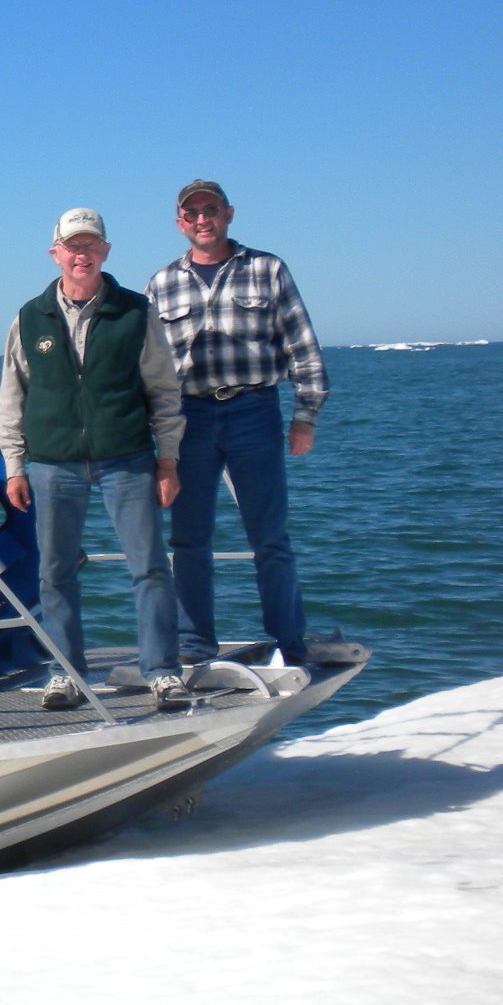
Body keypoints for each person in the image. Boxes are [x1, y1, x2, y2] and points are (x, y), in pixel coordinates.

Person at [0, 208, 188, 711]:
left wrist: (167, 461)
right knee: (55, 571)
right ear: (55, 253)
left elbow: (164, 391)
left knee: (149, 567)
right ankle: (65, 673)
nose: (81, 255)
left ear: (105, 251)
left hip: (126, 460)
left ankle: (163, 671)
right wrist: (14, 466)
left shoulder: (135, 312)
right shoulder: (28, 317)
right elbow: (12, 398)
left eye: (90, 246)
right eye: (71, 246)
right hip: (52, 465)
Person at [147, 179, 328, 666]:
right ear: (179, 223)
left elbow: (302, 346)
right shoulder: (161, 284)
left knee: (269, 537)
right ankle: (194, 646)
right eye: (191, 213)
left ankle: (290, 644)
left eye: (210, 209)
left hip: (254, 412)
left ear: (228, 213)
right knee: (188, 539)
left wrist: (304, 416)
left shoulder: (267, 269)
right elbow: (149, 367)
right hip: (190, 419)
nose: (201, 219)